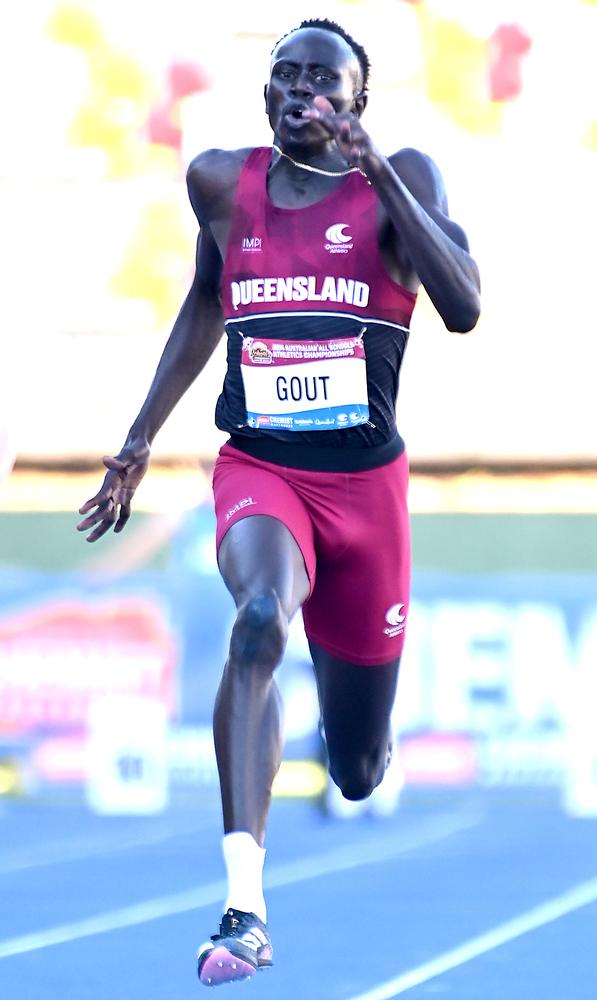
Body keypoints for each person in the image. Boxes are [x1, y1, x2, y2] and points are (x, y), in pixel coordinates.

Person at [77, 17, 480, 988]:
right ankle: (243, 907)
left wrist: (373, 168)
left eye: (322, 78)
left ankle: (338, 738)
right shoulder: (222, 182)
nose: (299, 89)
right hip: (261, 467)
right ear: (264, 91)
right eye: (283, 74)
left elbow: (462, 305)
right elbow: (205, 302)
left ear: (354, 100)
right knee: (256, 620)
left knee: (355, 769)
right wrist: (135, 440)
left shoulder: (402, 179)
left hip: (365, 490)